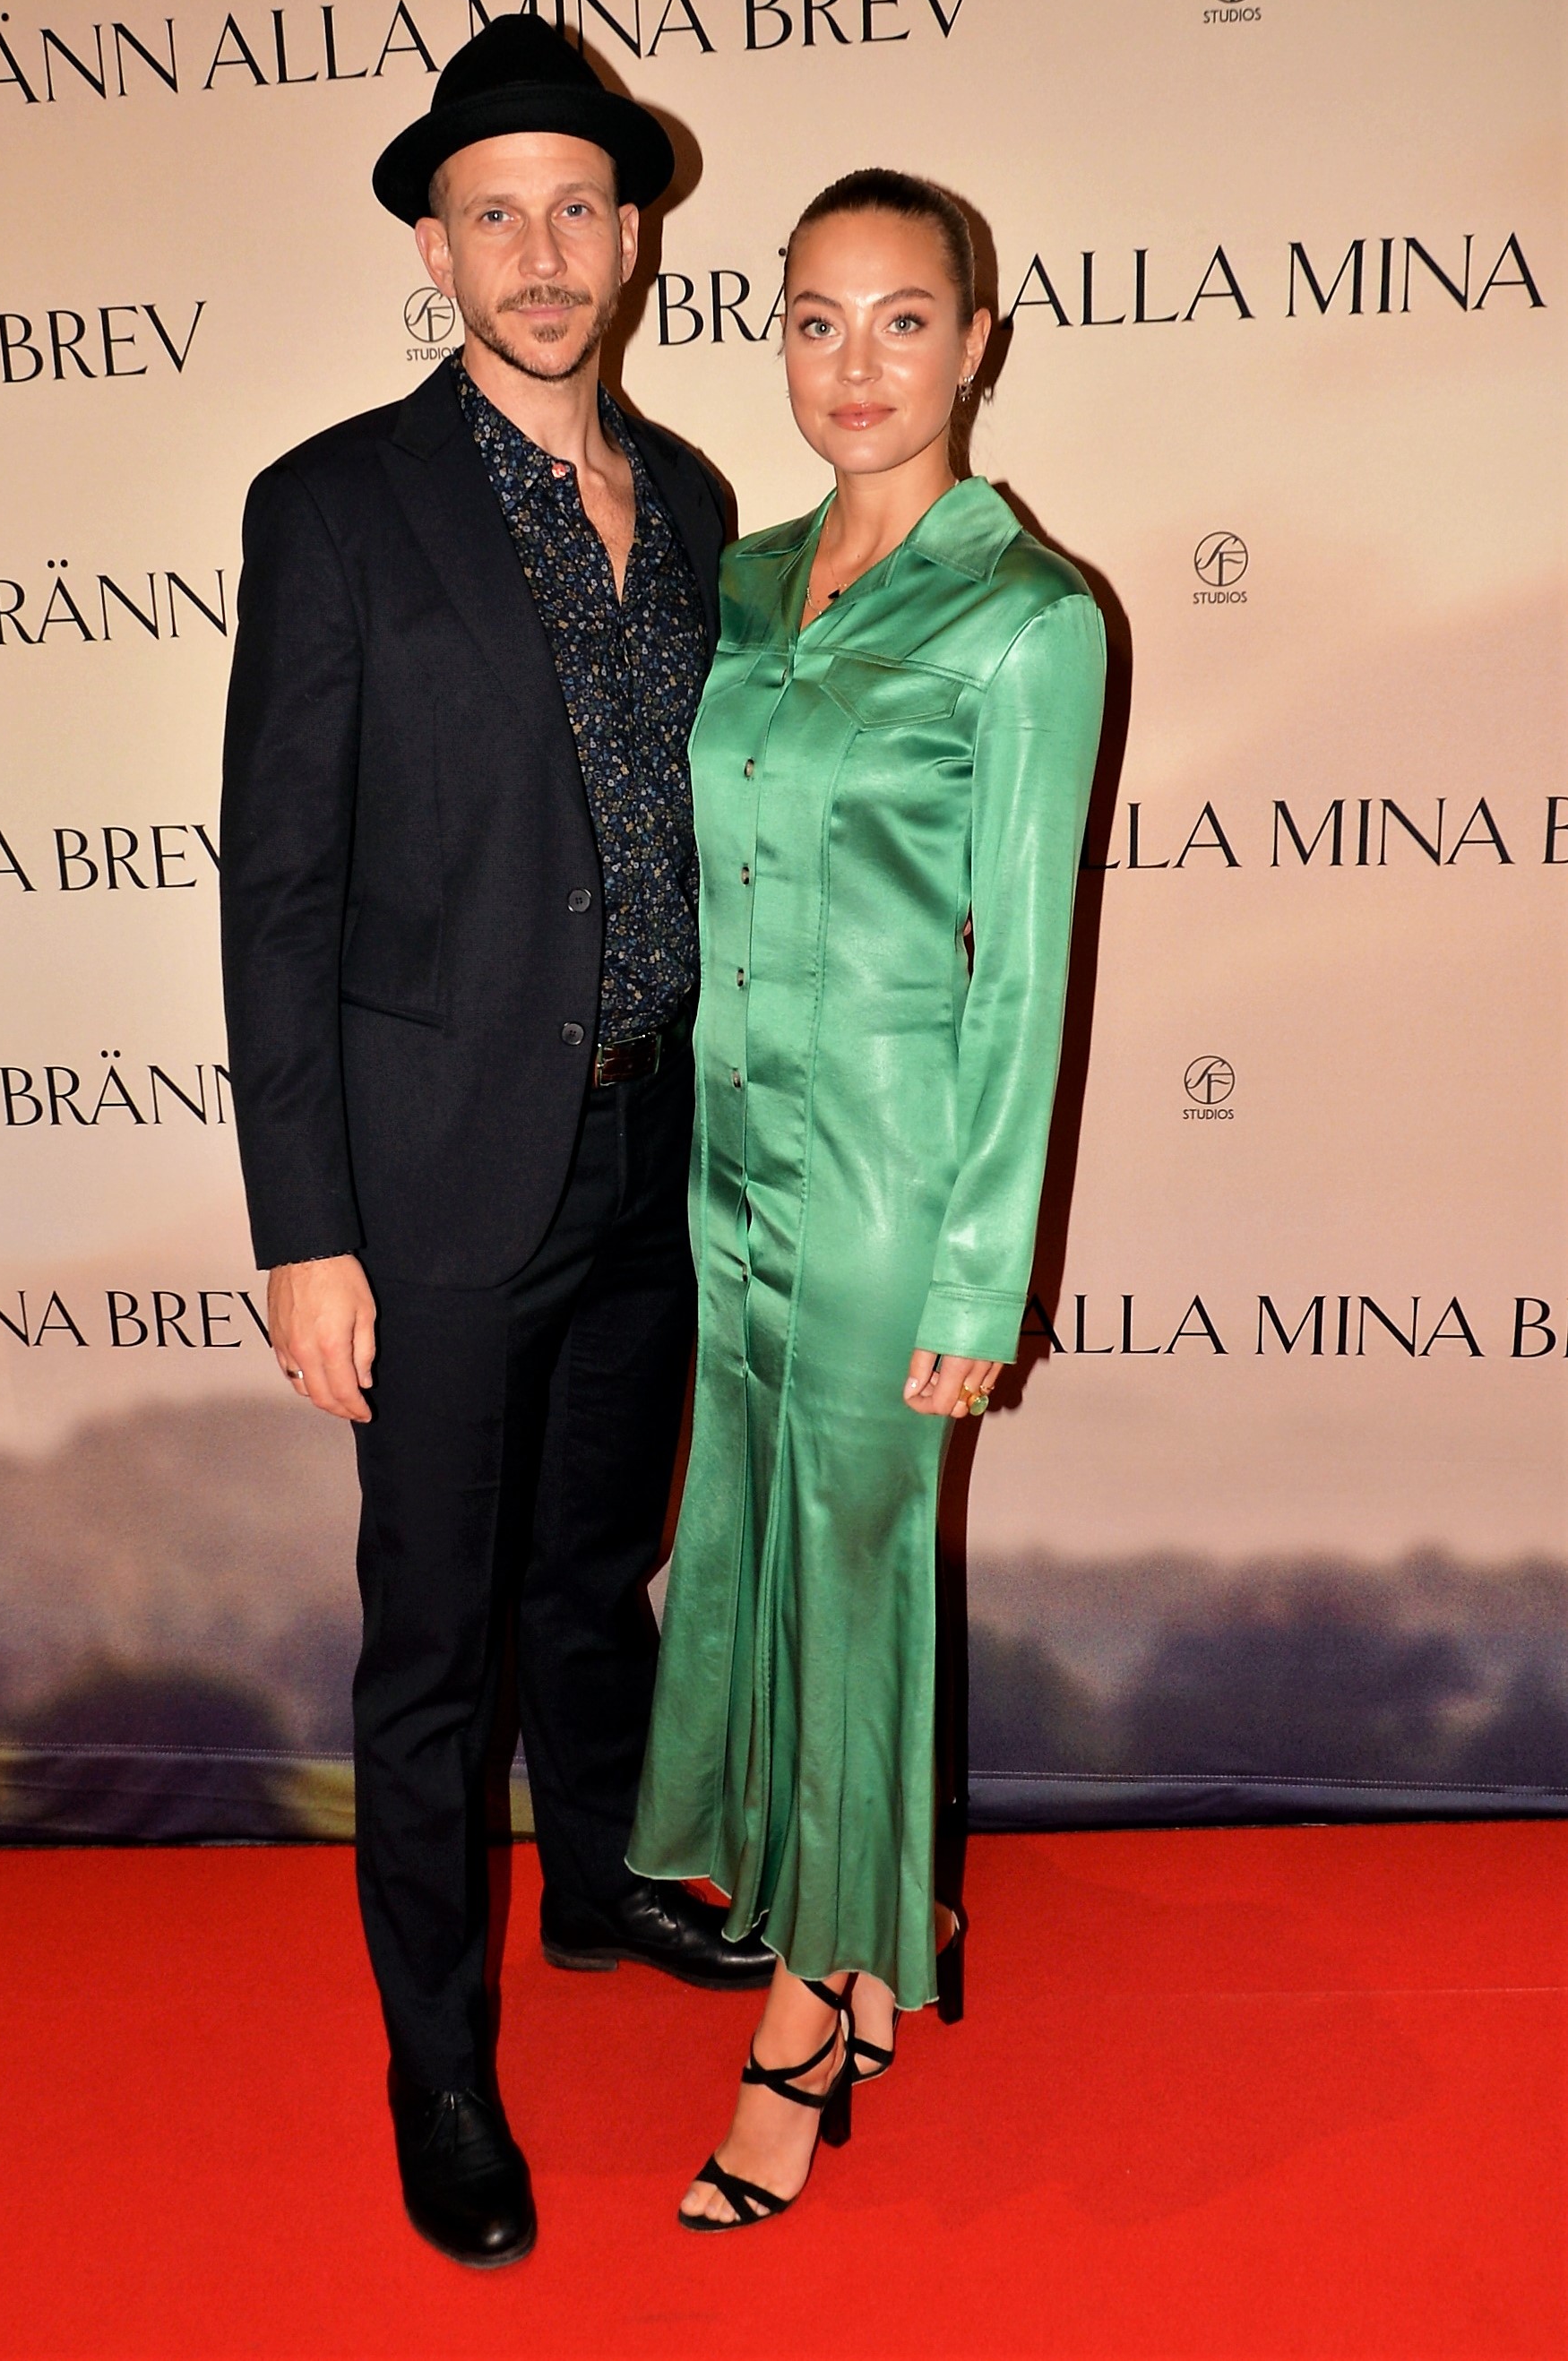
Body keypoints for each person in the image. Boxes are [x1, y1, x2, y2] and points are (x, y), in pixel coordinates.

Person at [218, 16, 773, 2274]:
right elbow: (280, 891)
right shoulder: (335, 505)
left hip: (653, 1151)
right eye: (492, 214)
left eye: (575, 208)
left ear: (633, 238)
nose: (540, 254)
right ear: (434, 250)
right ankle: (436, 2065)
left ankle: (604, 1881)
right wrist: (306, 1227)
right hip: (438, 1180)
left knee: (592, 1571)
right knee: (435, 1647)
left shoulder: (702, 503)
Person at [628, 168, 1106, 2229]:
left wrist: (982, 1274)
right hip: (730, 1168)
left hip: (899, 1187)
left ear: (976, 342)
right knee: (752, 1562)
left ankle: (808, 2018)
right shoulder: (741, 584)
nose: (854, 364)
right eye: (814, 320)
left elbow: (1027, 979)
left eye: (903, 320)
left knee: (854, 1588)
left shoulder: (1031, 620)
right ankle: (849, 1920)